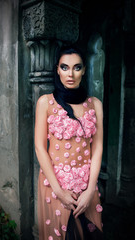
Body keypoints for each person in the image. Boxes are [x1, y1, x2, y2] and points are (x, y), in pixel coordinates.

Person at [35, 45, 103, 240]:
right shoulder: (45, 103)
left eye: (77, 67)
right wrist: (59, 191)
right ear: (57, 69)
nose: (70, 74)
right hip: (54, 185)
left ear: (83, 70)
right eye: (64, 67)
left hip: (87, 186)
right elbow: (40, 147)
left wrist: (90, 190)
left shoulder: (95, 104)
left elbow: (97, 148)